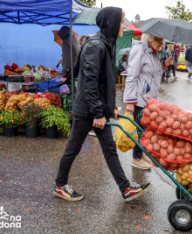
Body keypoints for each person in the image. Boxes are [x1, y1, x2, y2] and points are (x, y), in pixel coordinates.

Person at [54, 7, 152, 202]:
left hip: (97, 108)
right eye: (122, 22)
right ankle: (59, 185)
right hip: (87, 109)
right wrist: (98, 113)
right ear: (112, 23)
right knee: (73, 147)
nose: (123, 26)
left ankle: (125, 189)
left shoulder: (108, 44)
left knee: (109, 149)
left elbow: (105, 83)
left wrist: (111, 107)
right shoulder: (95, 46)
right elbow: (89, 83)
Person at [124, 33, 173, 170]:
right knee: (139, 130)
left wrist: (164, 65)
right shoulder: (140, 49)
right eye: (159, 40)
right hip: (140, 98)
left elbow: (153, 73)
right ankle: (136, 158)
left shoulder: (152, 52)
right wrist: (130, 101)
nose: (161, 44)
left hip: (150, 99)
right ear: (150, 39)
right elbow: (132, 76)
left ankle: (142, 153)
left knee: (146, 130)